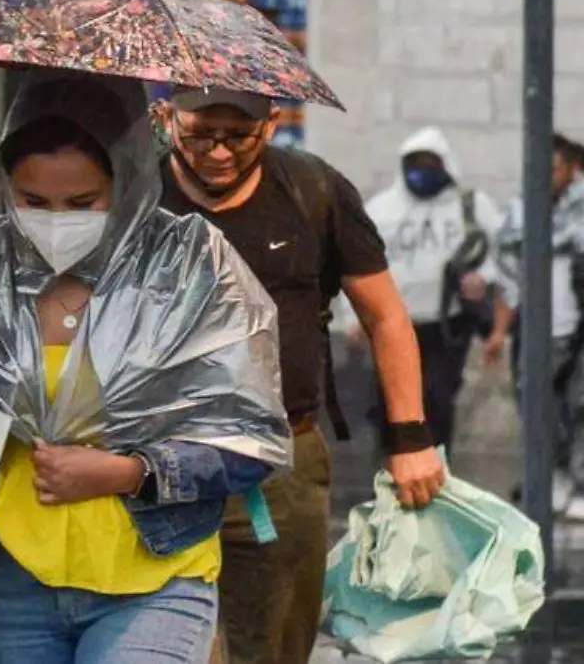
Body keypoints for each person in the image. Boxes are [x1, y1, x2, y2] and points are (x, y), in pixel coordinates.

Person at [0, 73, 292, 664]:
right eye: (33, 201)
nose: (55, 220)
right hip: (10, 578)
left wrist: (128, 472)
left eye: (81, 203)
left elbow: (250, 440)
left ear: (127, 182)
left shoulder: (192, 264)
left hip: (154, 578)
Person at [157, 87, 446, 664]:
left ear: (270, 125)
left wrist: (410, 438)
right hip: (156, 458)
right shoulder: (134, 191)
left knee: (274, 641)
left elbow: (385, 317)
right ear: (167, 119)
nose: (219, 152)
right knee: (163, 642)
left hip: (280, 455)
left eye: (238, 137)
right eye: (200, 135)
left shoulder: (314, 191)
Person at [343, 127, 508, 457]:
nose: (422, 171)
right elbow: (356, 265)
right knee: (391, 403)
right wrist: (353, 316)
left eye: (430, 163)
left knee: (437, 400)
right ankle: (393, 469)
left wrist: (483, 278)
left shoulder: (471, 206)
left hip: (447, 324)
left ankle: (437, 470)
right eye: (415, 163)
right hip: (393, 324)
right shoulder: (382, 210)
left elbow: (504, 254)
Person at [497, 132, 584, 516]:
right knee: (536, 407)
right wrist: (499, 331)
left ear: (570, 170)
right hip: (535, 331)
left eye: (554, 169)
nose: (547, 177)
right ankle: (549, 477)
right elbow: (508, 278)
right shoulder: (520, 212)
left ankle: (578, 482)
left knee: (578, 407)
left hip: (575, 329)